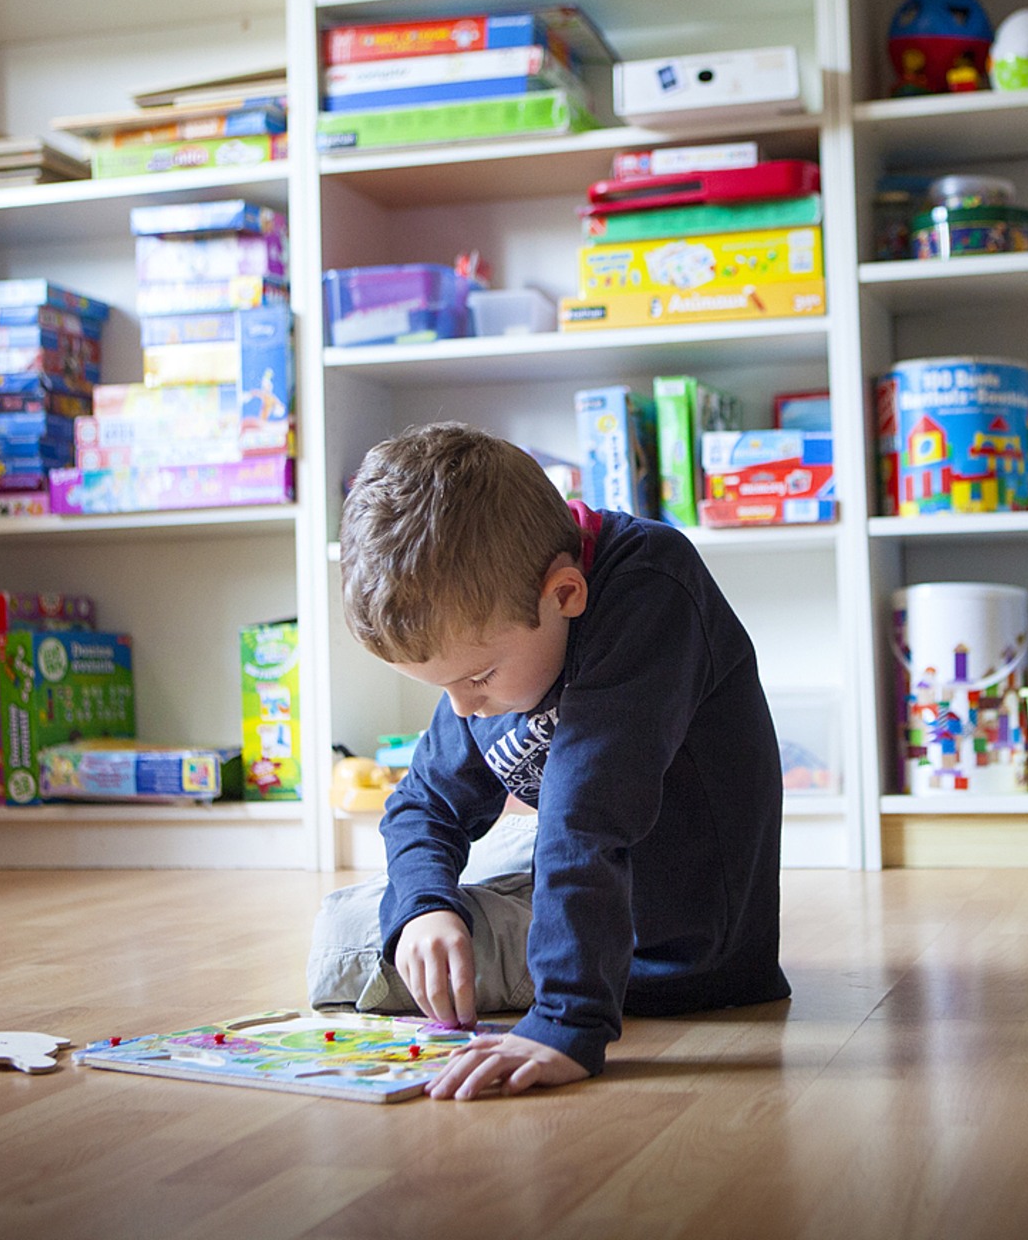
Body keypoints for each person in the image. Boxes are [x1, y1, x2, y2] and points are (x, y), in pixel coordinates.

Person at [307, 420, 791, 1100]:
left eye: (476, 679)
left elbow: (585, 819)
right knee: (399, 912)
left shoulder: (652, 588)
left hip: (674, 954)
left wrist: (565, 1022)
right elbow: (422, 802)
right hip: (571, 886)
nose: (465, 708)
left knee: (341, 943)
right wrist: (423, 908)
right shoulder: (499, 630)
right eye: (443, 689)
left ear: (565, 594)